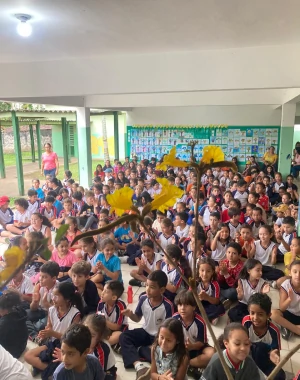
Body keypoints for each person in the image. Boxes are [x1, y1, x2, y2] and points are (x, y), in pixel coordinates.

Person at [119, 270, 173, 379]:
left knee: (159, 354)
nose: (147, 289)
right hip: (145, 331)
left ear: (162, 290)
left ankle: (138, 350)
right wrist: (130, 315)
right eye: (147, 285)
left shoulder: (168, 305)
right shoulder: (143, 298)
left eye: (152, 287)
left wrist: (159, 342)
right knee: (124, 336)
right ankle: (139, 366)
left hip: (158, 337)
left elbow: (169, 329)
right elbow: (137, 318)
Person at [24, 282, 83, 378]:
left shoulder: (75, 314)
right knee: (28, 356)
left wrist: (53, 333)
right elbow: (49, 326)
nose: (53, 298)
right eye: (53, 295)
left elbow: (71, 337)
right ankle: (51, 369)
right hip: (52, 344)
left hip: (66, 347)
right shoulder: (52, 309)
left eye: (56, 296)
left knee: (68, 363)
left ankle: (46, 368)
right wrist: (45, 333)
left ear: (67, 299)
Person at [242, 293, 285, 380]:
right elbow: (242, 342)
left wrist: (274, 355)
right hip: (248, 356)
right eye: (252, 313)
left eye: (260, 314)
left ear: (268, 315)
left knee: (280, 375)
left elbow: (276, 352)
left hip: (265, 359)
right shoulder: (246, 322)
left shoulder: (274, 331)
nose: (255, 318)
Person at [173, 290, 215, 374]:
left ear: (194, 307)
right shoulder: (174, 319)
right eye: (180, 305)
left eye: (186, 305)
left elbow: (201, 343)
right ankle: (191, 367)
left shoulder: (200, 322)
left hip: (196, 348)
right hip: (180, 349)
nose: (182, 308)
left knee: (212, 354)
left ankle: (188, 365)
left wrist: (192, 346)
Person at [228, 258, 269, 323]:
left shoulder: (263, 282)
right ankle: (247, 322)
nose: (261, 273)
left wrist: (263, 293)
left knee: (260, 315)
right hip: (244, 304)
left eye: (261, 270)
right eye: (258, 270)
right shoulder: (241, 281)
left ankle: (247, 322)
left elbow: (261, 300)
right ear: (249, 271)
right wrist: (240, 295)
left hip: (255, 306)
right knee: (232, 313)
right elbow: (240, 298)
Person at [271, 260, 300, 340]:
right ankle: (296, 330)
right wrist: (289, 299)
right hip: (289, 313)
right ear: (290, 273)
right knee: (273, 313)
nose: (298, 275)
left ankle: (288, 328)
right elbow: (282, 308)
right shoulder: (286, 285)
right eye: (295, 272)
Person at [83, 314, 117, 380]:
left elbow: (99, 374)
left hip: (106, 371)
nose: (87, 337)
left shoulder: (102, 350)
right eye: (85, 332)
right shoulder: (81, 339)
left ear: (99, 337)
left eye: (92, 336)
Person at [97, 280, 128, 346]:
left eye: (106, 292)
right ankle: (107, 343)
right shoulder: (101, 302)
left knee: (119, 335)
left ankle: (106, 343)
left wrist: (103, 321)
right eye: (103, 290)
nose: (102, 293)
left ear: (114, 297)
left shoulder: (120, 306)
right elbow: (98, 317)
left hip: (118, 329)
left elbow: (117, 327)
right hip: (106, 327)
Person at [0, 290, 28, 358]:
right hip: (21, 345)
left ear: (5, 309)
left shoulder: (4, 324)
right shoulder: (20, 311)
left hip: (11, 353)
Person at [197, 257, 225, 324]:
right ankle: (208, 317)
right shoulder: (195, 282)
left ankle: (208, 317)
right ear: (198, 271)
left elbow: (216, 301)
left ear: (212, 272)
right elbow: (190, 295)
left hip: (210, 304)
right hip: (198, 303)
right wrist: (198, 298)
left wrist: (206, 297)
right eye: (202, 270)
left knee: (219, 308)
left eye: (208, 271)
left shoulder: (215, 284)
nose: (204, 274)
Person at [217, 242, 244, 307]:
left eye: (234, 253)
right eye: (228, 252)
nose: (230, 255)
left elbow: (235, 285)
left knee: (233, 293)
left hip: (234, 287)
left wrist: (226, 274)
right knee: (214, 284)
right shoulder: (225, 262)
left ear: (239, 256)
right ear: (226, 253)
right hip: (224, 285)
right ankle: (224, 299)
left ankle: (221, 295)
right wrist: (221, 273)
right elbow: (220, 280)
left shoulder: (241, 267)